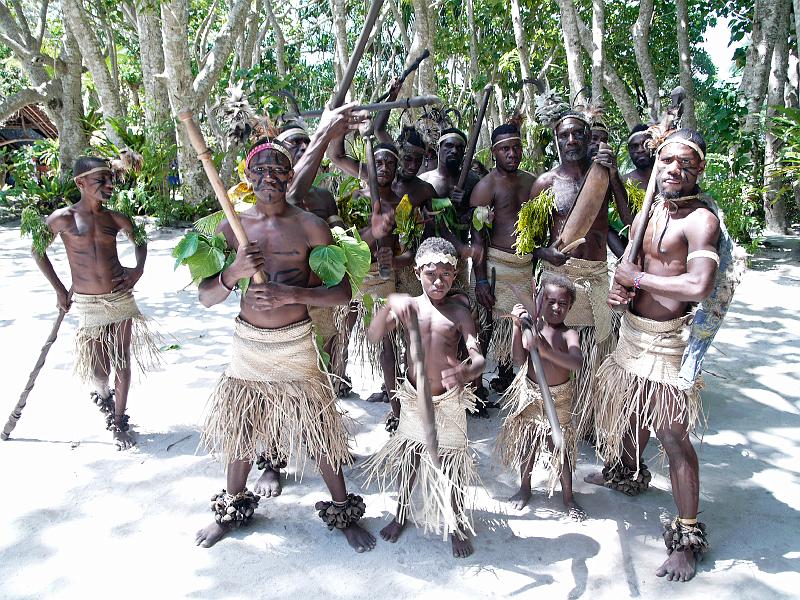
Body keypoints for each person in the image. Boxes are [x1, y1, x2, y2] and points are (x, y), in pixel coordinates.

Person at [195, 106, 377, 554]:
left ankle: (342, 511)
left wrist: (291, 296)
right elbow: (205, 296)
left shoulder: (311, 226)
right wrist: (232, 272)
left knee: (318, 429)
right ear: (248, 176)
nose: (270, 177)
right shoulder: (231, 226)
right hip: (249, 347)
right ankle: (231, 508)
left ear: (290, 173)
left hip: (295, 345)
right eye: (261, 170)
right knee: (241, 430)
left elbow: (342, 294)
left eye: (279, 169)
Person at [585, 129, 720, 582]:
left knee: (672, 435)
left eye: (685, 163)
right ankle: (626, 471)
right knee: (629, 413)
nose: (674, 170)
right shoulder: (656, 205)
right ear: (656, 164)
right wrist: (624, 285)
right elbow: (637, 260)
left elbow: (697, 285)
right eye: (667, 161)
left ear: (698, 170)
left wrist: (637, 282)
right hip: (633, 334)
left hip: (668, 342)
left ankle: (687, 538)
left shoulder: (700, 221)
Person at [363, 237, 485, 558]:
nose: (439, 280)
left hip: (449, 402)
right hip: (415, 400)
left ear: (456, 275)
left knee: (452, 466)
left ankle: (456, 523)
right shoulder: (410, 308)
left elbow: (478, 357)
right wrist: (390, 305)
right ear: (417, 273)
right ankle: (401, 513)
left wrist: (464, 371)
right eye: (431, 273)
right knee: (410, 460)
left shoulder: (459, 312)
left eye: (447, 274)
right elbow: (374, 334)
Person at [31, 156, 160, 450]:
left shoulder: (114, 218)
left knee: (122, 360)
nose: (109, 185)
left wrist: (138, 269)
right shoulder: (62, 218)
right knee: (99, 370)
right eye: (101, 180)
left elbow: (139, 240)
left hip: (120, 298)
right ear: (80, 183)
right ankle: (103, 394)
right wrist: (59, 290)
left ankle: (119, 421)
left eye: (111, 179)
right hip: (89, 304)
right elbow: (37, 251)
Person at [529, 109, 631, 441]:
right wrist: (548, 253)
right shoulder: (545, 183)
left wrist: (613, 174)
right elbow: (528, 245)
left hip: (596, 277)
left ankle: (587, 420)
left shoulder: (601, 177)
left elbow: (628, 217)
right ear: (556, 141)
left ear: (589, 139)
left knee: (595, 353)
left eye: (578, 134)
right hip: (560, 278)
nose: (571, 140)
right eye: (564, 135)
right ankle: (552, 418)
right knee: (556, 348)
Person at [328, 123, 408, 409]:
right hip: (354, 274)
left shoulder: (402, 204)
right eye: (379, 161)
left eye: (390, 162)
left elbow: (408, 248)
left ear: (397, 168)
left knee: (387, 341)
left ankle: (396, 407)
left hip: (384, 278)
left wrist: (396, 258)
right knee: (344, 332)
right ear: (369, 166)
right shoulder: (352, 200)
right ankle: (335, 385)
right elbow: (335, 154)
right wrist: (343, 125)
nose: (384, 166)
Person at [497, 274, 584, 519]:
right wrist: (517, 327)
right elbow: (518, 359)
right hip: (533, 396)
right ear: (539, 301)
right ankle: (524, 488)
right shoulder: (532, 328)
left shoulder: (569, 334)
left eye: (563, 303)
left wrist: (545, 350)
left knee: (560, 447)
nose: (556, 307)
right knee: (529, 444)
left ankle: (568, 497)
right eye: (550, 301)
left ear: (570, 307)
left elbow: (576, 363)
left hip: (560, 400)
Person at [470, 124, 536, 396]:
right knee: (485, 327)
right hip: (494, 265)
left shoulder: (533, 181)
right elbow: (478, 239)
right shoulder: (486, 187)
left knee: (515, 324)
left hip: (523, 266)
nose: (512, 153)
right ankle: (476, 388)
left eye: (516, 147)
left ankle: (506, 377)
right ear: (495, 152)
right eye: (505, 149)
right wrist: (482, 279)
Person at [623, 124, 655, 189]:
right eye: (634, 147)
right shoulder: (625, 183)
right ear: (629, 151)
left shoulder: (669, 177)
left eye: (646, 144)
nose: (640, 150)